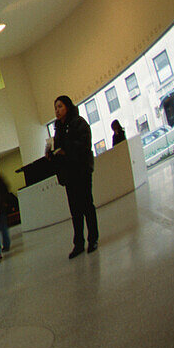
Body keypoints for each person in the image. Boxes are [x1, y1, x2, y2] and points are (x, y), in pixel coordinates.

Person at [47, 95, 98, 258]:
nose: (57, 110)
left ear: (67, 107)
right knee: (75, 210)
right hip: (69, 174)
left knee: (87, 206)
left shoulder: (79, 122)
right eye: (55, 108)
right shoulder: (58, 129)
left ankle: (93, 239)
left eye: (60, 106)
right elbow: (59, 150)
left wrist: (66, 150)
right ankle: (78, 243)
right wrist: (52, 155)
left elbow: (84, 144)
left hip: (81, 171)